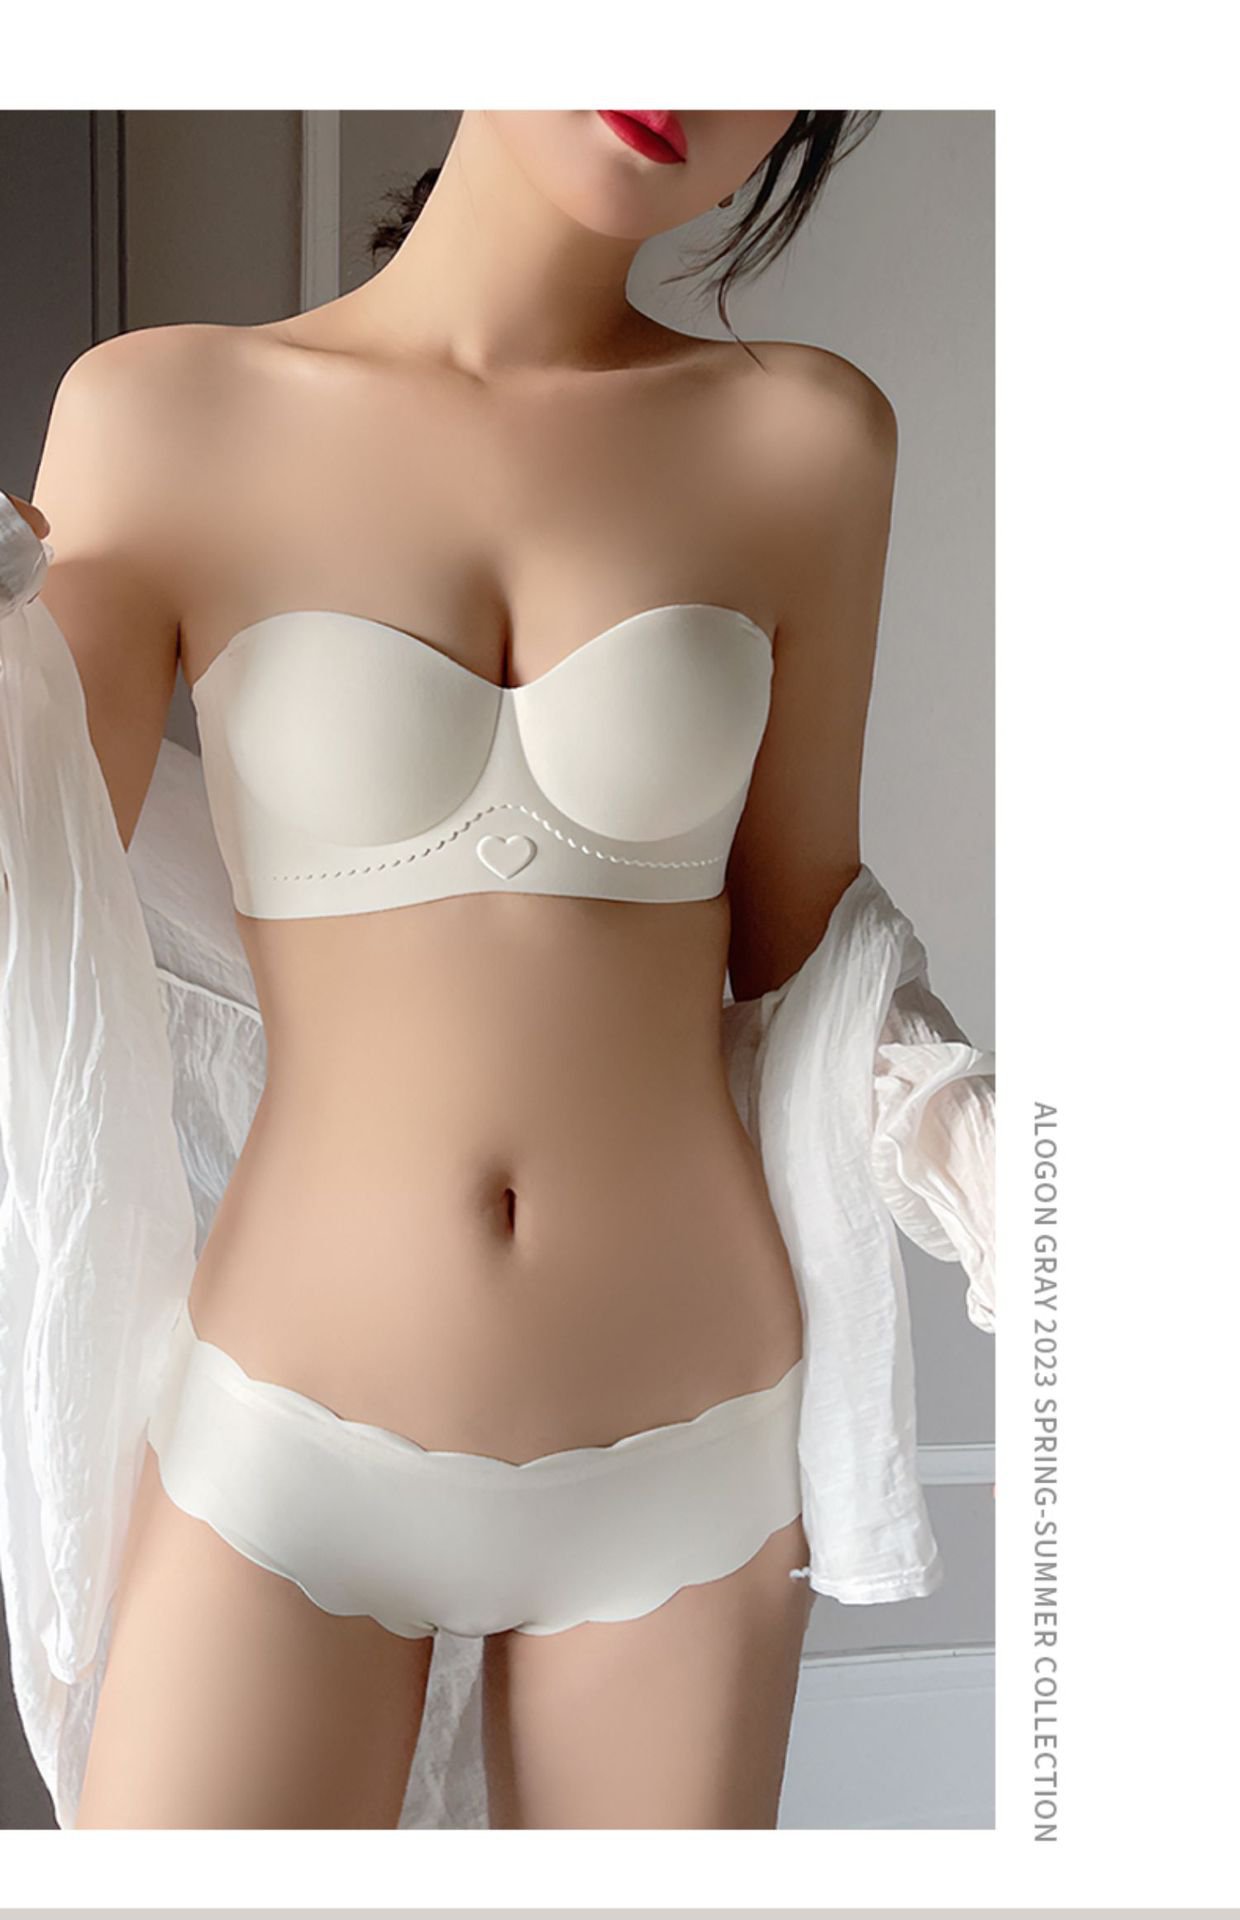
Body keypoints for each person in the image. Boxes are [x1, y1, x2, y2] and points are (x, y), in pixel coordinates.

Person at [0, 109, 994, 1831]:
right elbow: (39, 896)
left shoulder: (806, 441)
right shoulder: (160, 415)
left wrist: (976, 1146)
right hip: (286, 1428)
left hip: (692, 1440)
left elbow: (808, 949)